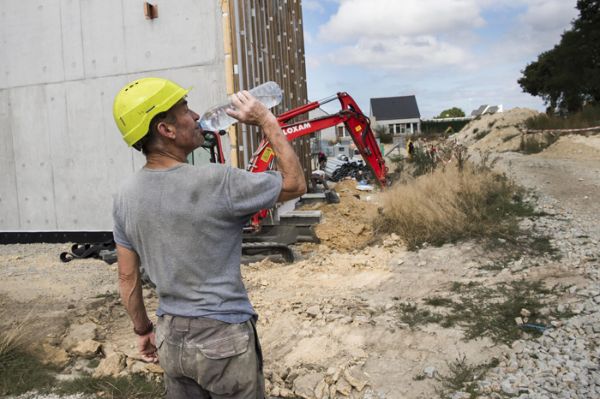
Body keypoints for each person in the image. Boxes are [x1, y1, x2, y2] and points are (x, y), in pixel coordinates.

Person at [111, 77, 306, 398]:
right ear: (166, 130)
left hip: (171, 338)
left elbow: (126, 277)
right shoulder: (217, 181)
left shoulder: (124, 197)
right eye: (186, 111)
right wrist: (266, 119)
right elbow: (295, 183)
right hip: (223, 338)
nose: (198, 116)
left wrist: (143, 329)